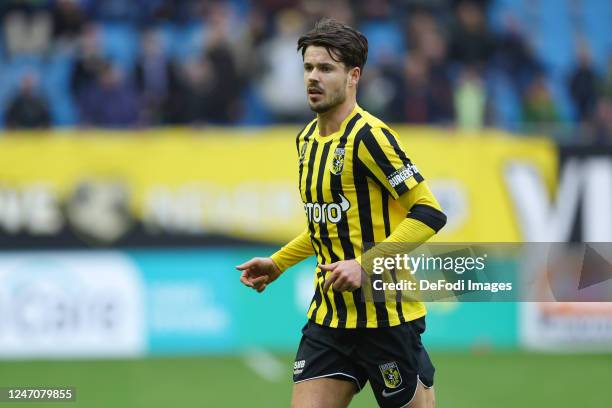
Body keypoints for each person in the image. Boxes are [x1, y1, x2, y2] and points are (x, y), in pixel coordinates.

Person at [236, 18, 446, 408]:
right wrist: (279, 263)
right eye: (308, 67)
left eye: (326, 68)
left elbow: (430, 213)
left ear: (353, 76)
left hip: (386, 317)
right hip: (329, 319)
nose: (313, 77)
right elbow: (325, 225)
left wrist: (365, 265)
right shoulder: (306, 140)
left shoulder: (371, 136)